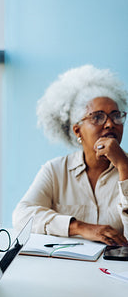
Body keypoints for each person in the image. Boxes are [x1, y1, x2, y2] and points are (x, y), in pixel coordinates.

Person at [13, 65, 128, 246]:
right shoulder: (56, 170)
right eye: (97, 117)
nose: (109, 124)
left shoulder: (126, 167)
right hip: (66, 270)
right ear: (77, 130)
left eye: (116, 116)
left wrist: (124, 168)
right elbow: (22, 216)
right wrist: (80, 227)